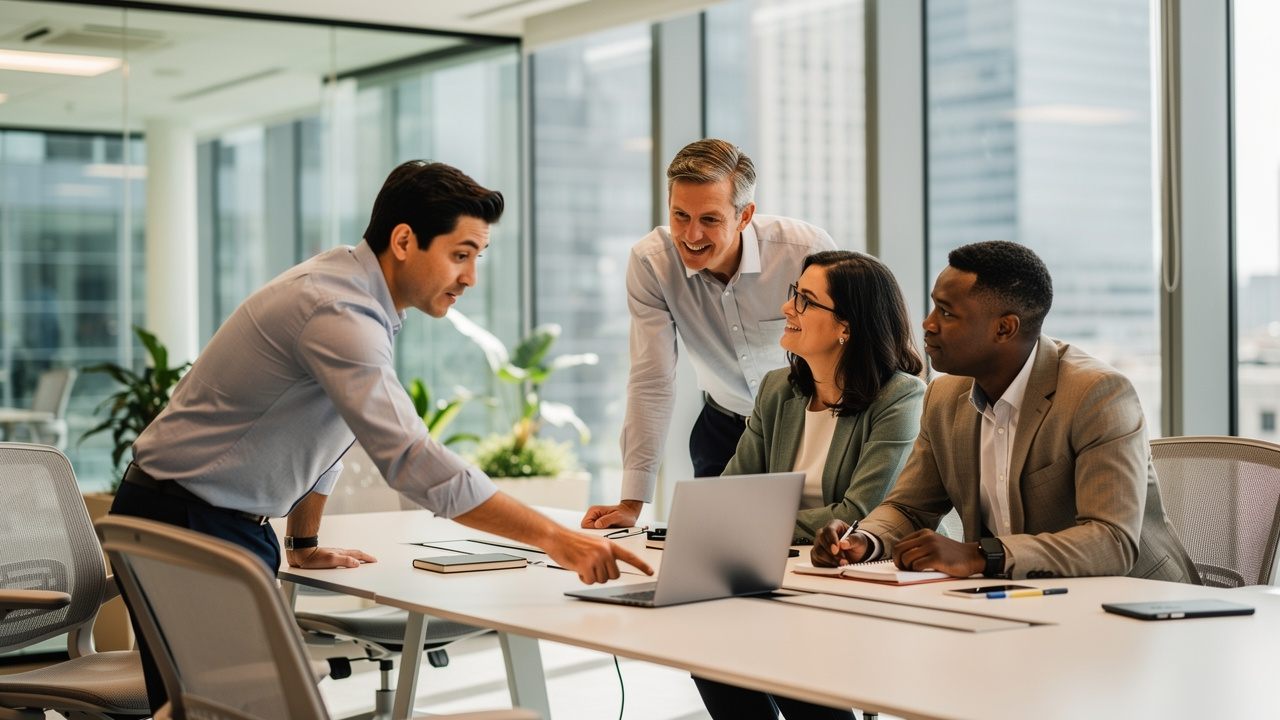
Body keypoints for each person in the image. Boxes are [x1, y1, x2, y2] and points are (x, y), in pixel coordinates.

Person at [111, 160, 652, 710]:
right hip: (186, 520)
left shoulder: (355, 296)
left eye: (478, 257)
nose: (470, 277)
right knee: (229, 708)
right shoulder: (338, 308)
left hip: (203, 517)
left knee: (230, 707)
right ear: (404, 241)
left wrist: (303, 543)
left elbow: (325, 428)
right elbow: (412, 459)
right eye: (460, 255)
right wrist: (556, 539)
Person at [813, 241, 1198, 585]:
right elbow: (908, 507)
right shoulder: (944, 396)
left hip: (1137, 602)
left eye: (946, 313)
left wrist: (981, 556)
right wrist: (865, 539)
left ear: (1004, 329)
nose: (928, 324)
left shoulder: (1097, 395)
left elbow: (1111, 541)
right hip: (1025, 599)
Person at [693, 250, 926, 720]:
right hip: (782, 573)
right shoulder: (778, 389)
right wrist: (746, 524)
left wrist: (756, 525)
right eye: (793, 294)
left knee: (790, 650)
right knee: (705, 644)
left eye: (805, 300)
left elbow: (859, 512)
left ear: (847, 327)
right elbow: (729, 497)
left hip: (855, 578)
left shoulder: (900, 396)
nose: (787, 308)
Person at [582, 139, 836, 530]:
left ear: (744, 216)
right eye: (680, 215)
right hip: (723, 432)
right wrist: (631, 502)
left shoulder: (804, 251)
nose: (691, 234)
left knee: (813, 546)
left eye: (710, 220)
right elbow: (651, 380)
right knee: (712, 551)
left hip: (808, 428)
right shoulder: (652, 263)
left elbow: (850, 346)